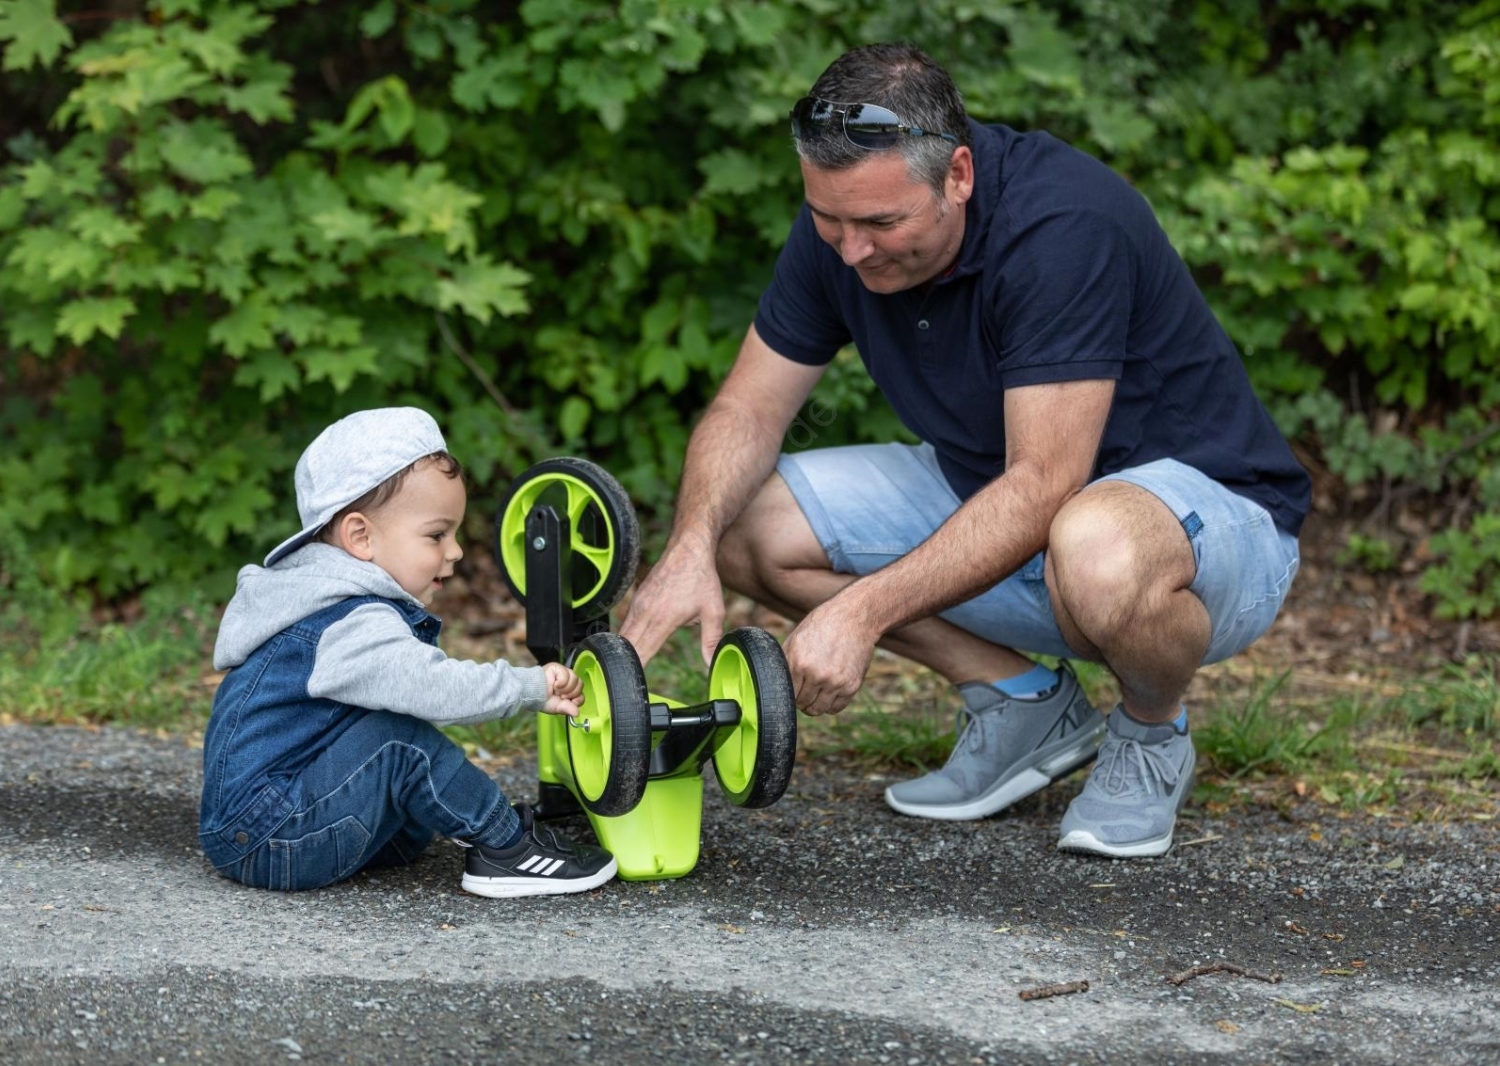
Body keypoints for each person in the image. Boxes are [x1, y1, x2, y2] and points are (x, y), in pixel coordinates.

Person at [619, 43, 1309, 858]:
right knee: (742, 524)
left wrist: (861, 611)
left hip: (1206, 528)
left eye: (881, 224)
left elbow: (1046, 483)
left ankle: (1151, 731)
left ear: (958, 175)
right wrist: (689, 546)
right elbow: (747, 407)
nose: (851, 250)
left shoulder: (1062, 226)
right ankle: (1024, 704)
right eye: (829, 219)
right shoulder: (843, 223)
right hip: (1011, 503)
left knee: (1094, 542)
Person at [199, 407, 617, 896]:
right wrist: (530, 687)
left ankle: (398, 830)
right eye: (437, 535)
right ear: (361, 537)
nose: (456, 551)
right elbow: (433, 687)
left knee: (396, 741)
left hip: (267, 822)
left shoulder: (319, 596)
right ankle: (506, 847)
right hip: (272, 835)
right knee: (398, 740)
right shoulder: (348, 619)